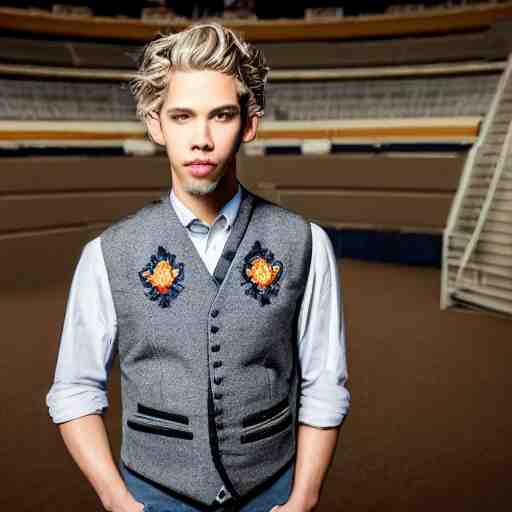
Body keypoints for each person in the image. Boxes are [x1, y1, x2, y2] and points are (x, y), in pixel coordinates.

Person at [46, 22, 350, 512]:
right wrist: (118, 501)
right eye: (182, 116)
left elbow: (324, 381)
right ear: (155, 124)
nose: (202, 139)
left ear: (248, 123)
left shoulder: (305, 244)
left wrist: (303, 499)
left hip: (272, 494)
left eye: (221, 116)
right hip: (151, 495)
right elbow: (74, 388)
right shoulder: (107, 253)